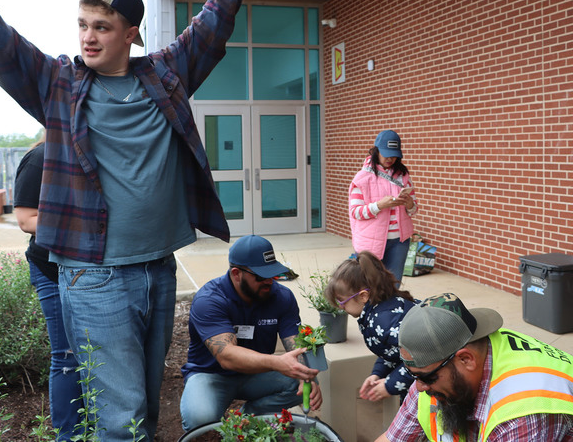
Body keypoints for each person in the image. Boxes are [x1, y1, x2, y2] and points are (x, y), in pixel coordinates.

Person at [0, 0, 277, 437]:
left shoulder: (165, 75)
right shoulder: (57, 83)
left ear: (130, 33)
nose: (88, 37)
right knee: (121, 417)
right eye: (83, 25)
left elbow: (214, 22)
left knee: (145, 410)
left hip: (157, 267)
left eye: (102, 27)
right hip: (94, 277)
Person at [376, 292, 573, 442]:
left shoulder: (525, 406)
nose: (419, 388)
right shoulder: (439, 374)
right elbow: (393, 438)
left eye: (426, 378)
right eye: (415, 376)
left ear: (465, 359)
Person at [179, 235, 322, 431]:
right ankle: (217, 425)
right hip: (210, 374)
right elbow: (227, 356)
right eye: (261, 277)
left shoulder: (281, 297)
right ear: (236, 273)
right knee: (200, 420)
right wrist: (276, 362)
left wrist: (306, 376)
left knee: (297, 382)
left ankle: (245, 421)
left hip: (256, 372)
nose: (269, 282)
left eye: (273, 274)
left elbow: (294, 342)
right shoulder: (210, 300)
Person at [13, 138, 81, 441]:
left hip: (89, 269)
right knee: (66, 354)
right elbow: (26, 220)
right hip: (51, 268)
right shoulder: (40, 156)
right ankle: (68, 436)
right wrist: (84, 221)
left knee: (95, 354)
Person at [324, 250, 416, 403]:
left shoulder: (384, 321)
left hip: (434, 382)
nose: (340, 307)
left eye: (341, 301)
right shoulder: (379, 311)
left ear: (363, 296)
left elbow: (422, 357)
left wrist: (390, 385)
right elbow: (391, 352)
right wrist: (378, 373)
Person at [349, 130, 417, 282]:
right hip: (370, 242)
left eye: (394, 155)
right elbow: (355, 212)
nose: (390, 158)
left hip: (399, 241)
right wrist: (379, 205)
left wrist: (409, 203)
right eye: (386, 154)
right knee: (370, 286)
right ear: (376, 151)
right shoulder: (362, 178)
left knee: (394, 286)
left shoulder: (403, 175)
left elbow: (413, 210)